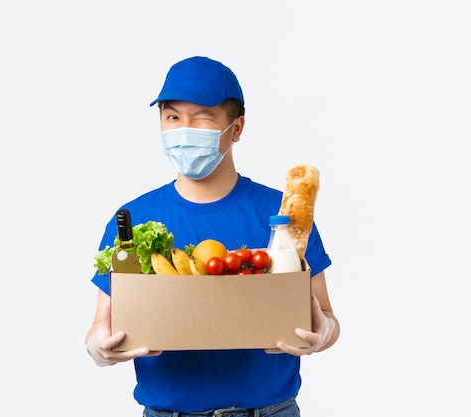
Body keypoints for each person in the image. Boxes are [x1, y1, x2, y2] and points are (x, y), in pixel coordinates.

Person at [85, 56, 340, 417]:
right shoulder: (133, 220)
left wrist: (322, 333)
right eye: (172, 117)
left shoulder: (283, 217)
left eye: (202, 116)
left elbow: (326, 317)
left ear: (236, 129)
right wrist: (99, 348)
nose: (183, 129)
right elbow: (100, 327)